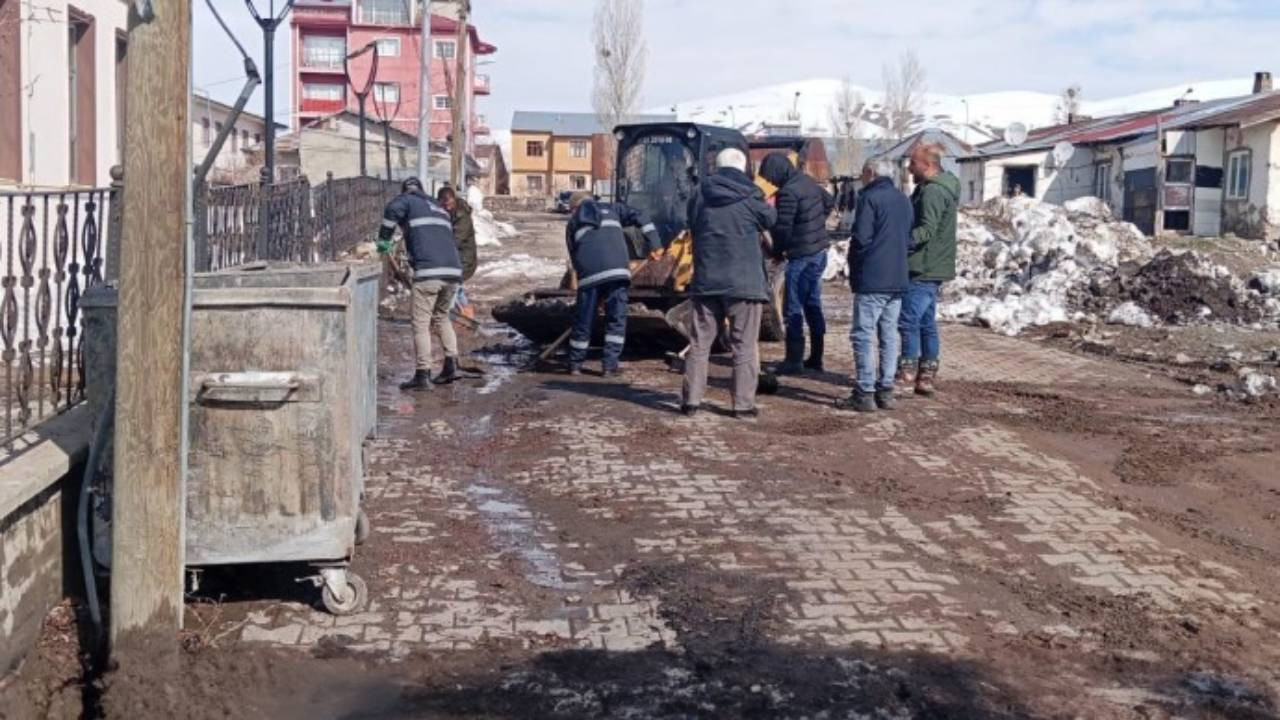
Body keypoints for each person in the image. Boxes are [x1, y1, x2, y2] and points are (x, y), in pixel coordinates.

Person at [681, 148, 777, 418]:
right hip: (744, 282)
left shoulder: (700, 193)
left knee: (700, 343)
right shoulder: (751, 194)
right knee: (744, 345)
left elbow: (690, 220)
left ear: (717, 166)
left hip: (707, 279)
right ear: (744, 167)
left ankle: (691, 401)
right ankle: (743, 405)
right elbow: (771, 220)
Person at [835, 159, 912, 412]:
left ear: (870, 173)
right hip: (898, 278)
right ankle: (886, 389)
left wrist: (854, 268)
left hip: (873, 278)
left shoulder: (869, 199)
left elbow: (861, 239)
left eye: (863, 172)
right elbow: (909, 239)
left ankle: (865, 390)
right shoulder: (903, 200)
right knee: (889, 334)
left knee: (863, 335)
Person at [377, 177, 464, 390]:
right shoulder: (438, 208)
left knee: (420, 324)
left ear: (406, 190)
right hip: (453, 272)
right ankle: (452, 365)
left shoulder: (406, 200)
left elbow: (391, 211)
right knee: (441, 317)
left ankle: (423, 374)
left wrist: (383, 241)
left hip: (429, 272)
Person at [564, 191, 662, 376]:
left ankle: (575, 364)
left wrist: (587, 286)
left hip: (590, 275)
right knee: (616, 320)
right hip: (618, 271)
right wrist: (655, 244)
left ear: (575, 208)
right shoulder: (613, 208)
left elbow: (574, 258)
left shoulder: (573, 222)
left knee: (584, 320)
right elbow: (642, 216)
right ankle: (609, 367)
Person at [758, 153, 836, 374]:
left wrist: (776, 251)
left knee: (792, 307)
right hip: (819, 251)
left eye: (770, 177)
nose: (771, 182)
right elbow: (829, 202)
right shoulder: (807, 182)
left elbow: (783, 228)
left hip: (801, 255)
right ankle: (816, 357)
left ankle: (793, 360)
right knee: (812, 303)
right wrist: (815, 224)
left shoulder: (789, 192)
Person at [898, 142, 959, 396]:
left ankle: (907, 372)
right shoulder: (934, 187)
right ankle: (925, 377)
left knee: (908, 320)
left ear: (929, 165)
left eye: (914, 163)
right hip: (933, 264)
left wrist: (900, 242)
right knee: (925, 322)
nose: (910, 169)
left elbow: (926, 229)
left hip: (924, 265)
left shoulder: (933, 192)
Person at [437, 186, 477, 320]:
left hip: (463, 259)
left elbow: (456, 241)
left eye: (449, 204)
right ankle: (465, 315)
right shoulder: (447, 213)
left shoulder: (462, 216)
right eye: (444, 205)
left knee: (453, 286)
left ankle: (454, 318)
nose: (447, 207)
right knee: (456, 287)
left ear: (454, 200)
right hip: (454, 258)